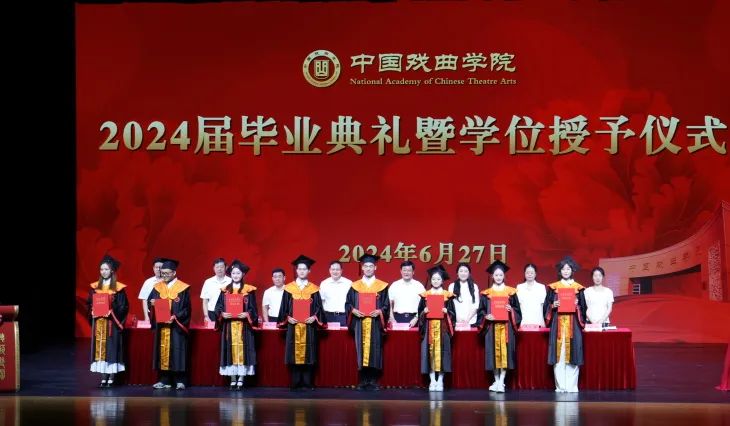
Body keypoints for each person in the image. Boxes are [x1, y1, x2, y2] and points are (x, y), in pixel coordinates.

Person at [277, 255, 325, 391]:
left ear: (309, 271)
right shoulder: (289, 289)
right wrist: (287, 318)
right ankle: (295, 381)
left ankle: (308, 382)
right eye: (299, 269)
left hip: (309, 327)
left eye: (304, 269)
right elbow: (283, 308)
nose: (302, 271)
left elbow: (319, 308)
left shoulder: (314, 289)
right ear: (296, 270)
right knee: (293, 352)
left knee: (309, 352)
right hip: (294, 326)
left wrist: (314, 317)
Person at [345, 254, 390, 391]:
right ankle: (363, 380)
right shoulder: (355, 286)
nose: (368, 268)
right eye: (366, 266)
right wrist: (353, 311)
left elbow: (386, 305)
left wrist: (380, 311)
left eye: (371, 266)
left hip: (375, 323)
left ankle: (374, 381)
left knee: (375, 350)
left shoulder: (382, 286)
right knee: (361, 349)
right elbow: (348, 303)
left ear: (375, 267)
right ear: (362, 267)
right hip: (360, 322)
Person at [544, 256, 588, 393]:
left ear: (572, 270)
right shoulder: (553, 288)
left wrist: (577, 306)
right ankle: (560, 386)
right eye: (563, 269)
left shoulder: (578, 288)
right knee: (560, 354)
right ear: (560, 271)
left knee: (573, 353)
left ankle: (572, 386)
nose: (566, 271)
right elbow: (546, 307)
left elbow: (584, 309)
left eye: (568, 269)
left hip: (573, 325)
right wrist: (553, 305)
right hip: (557, 325)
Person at [476, 260, 521, 393]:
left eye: (501, 275)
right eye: (496, 275)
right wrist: (486, 316)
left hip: (507, 328)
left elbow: (518, 311)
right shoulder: (486, 294)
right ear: (492, 276)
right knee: (493, 353)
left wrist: (511, 310)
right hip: (491, 328)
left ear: (504, 276)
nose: (498, 277)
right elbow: (481, 311)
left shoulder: (511, 292)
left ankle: (502, 381)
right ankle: (496, 380)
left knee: (505, 353)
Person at [148, 258, 191, 390]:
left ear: (174, 273)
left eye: (167, 273)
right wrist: (152, 303)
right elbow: (151, 302)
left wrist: (176, 317)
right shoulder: (157, 287)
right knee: (163, 351)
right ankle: (164, 380)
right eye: (163, 273)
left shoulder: (182, 288)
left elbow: (187, 309)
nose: (165, 275)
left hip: (176, 326)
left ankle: (180, 380)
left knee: (178, 351)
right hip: (162, 326)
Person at [214, 260, 258, 390]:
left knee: (243, 351)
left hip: (244, 327)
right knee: (230, 351)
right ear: (230, 274)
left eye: (238, 273)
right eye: (233, 273)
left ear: (243, 274)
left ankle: (241, 378)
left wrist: (247, 314)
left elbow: (254, 309)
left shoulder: (248, 290)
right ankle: (233, 378)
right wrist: (222, 314)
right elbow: (218, 307)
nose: (236, 275)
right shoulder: (225, 290)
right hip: (229, 327)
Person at [87, 255, 129, 387]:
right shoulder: (95, 287)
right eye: (101, 269)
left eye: (106, 269)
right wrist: (92, 311)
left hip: (112, 324)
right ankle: (103, 376)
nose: (103, 272)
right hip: (99, 323)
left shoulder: (118, 288)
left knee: (111, 348)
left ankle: (111, 376)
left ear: (112, 271)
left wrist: (112, 312)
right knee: (100, 349)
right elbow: (89, 303)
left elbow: (123, 306)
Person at [417, 265, 456, 391]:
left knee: (442, 353)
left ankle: (440, 381)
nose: (435, 281)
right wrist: (424, 312)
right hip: (428, 328)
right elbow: (419, 314)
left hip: (443, 329)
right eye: (433, 279)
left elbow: (453, 315)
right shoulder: (425, 295)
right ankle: (432, 380)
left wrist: (447, 312)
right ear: (430, 280)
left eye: (438, 279)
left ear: (442, 280)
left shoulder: (447, 296)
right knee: (429, 354)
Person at [388, 260, 425, 327]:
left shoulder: (419, 286)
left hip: (414, 319)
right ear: (401, 271)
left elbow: (424, 304)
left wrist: (416, 318)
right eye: (404, 270)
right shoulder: (394, 285)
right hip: (397, 319)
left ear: (413, 272)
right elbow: (389, 303)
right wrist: (392, 318)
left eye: (409, 270)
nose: (406, 272)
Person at [319, 260, 353, 326]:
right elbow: (321, 301)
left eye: (337, 269)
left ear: (341, 270)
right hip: (328, 316)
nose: (335, 272)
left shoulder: (349, 283)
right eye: (333, 269)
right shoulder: (324, 283)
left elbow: (352, 301)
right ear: (329, 270)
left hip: (344, 316)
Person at [447, 263, 480, 327]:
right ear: (457, 273)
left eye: (465, 271)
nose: (463, 273)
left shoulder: (474, 286)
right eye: (461, 271)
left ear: (469, 273)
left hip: (471, 321)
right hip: (456, 321)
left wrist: (467, 319)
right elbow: (450, 305)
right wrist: (458, 319)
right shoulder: (452, 286)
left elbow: (476, 305)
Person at [200, 258, 232, 323]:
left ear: (226, 268)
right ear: (214, 268)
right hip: (211, 313)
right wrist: (206, 316)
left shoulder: (231, 281)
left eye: (221, 267)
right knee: (212, 330)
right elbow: (205, 301)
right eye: (217, 267)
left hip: (227, 314)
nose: (219, 269)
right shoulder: (208, 282)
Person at [137, 257, 163, 322]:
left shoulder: (168, 281)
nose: (158, 269)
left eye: (161, 267)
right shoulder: (148, 282)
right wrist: (146, 316)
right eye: (156, 267)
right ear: (153, 268)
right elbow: (144, 300)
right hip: (152, 313)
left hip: (164, 311)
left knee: (164, 328)